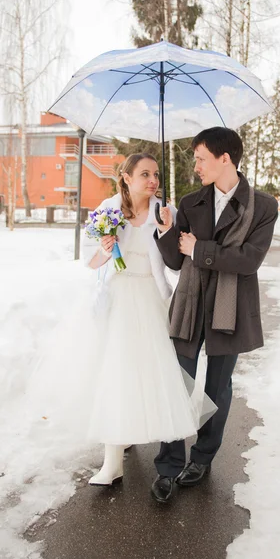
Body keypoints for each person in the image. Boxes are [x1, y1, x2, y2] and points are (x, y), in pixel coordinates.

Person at [151, 127, 278, 503]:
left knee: (217, 389)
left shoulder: (263, 207)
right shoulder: (191, 203)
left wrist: (199, 248)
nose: (196, 166)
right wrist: (167, 231)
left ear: (226, 159)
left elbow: (248, 261)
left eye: (201, 158)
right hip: (190, 304)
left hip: (230, 307)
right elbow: (177, 260)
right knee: (178, 383)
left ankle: (202, 459)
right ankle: (168, 466)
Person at [79, 153, 215, 487]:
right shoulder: (109, 209)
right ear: (126, 177)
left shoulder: (164, 211)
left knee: (152, 374)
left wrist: (168, 229)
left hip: (152, 299)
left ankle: (149, 442)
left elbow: (175, 265)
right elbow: (91, 262)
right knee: (115, 373)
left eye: (155, 174)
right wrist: (105, 248)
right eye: (144, 174)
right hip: (118, 300)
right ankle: (112, 462)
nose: (153, 181)